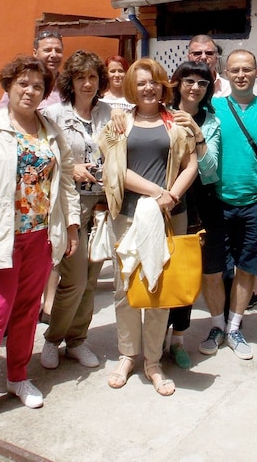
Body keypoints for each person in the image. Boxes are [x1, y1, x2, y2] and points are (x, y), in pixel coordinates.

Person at [0, 56, 80, 441]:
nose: (30, 91)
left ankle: (18, 376)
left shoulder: (51, 131)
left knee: (27, 312)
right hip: (0, 236)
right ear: (9, 85)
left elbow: (67, 184)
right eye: (23, 84)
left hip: (40, 235)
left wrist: (70, 229)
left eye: (37, 86)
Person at [99, 58, 198, 396]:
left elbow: (191, 164)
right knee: (125, 288)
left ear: (162, 85)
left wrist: (172, 196)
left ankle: (153, 361)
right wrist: (157, 191)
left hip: (169, 214)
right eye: (141, 82)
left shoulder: (176, 123)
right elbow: (115, 169)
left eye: (154, 81)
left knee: (159, 286)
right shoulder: (119, 123)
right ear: (132, 87)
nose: (148, 87)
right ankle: (127, 354)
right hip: (127, 214)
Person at [200, 50, 257, 361]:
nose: (241, 74)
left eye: (247, 69)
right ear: (226, 74)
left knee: (247, 268)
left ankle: (234, 326)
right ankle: (216, 325)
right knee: (213, 270)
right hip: (216, 202)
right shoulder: (212, 108)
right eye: (235, 70)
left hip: (255, 203)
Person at [38, 51, 112, 370]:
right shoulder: (53, 115)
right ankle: (53, 339)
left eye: (93, 77)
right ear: (70, 81)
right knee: (74, 280)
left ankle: (78, 340)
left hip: (102, 204)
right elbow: (41, 156)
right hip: (69, 205)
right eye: (81, 77)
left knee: (92, 279)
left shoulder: (110, 113)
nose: (87, 83)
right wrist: (71, 168)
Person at [165, 60, 224, 369]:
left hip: (199, 205)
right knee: (160, 270)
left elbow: (211, 170)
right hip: (162, 201)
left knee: (186, 272)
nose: (195, 88)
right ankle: (153, 339)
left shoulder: (212, 122)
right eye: (189, 81)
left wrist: (197, 132)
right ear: (178, 83)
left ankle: (178, 340)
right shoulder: (160, 112)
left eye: (202, 84)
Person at [0, 30, 65, 111]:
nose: (54, 55)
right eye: (47, 50)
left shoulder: (69, 86)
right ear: (35, 53)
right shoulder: (21, 84)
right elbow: (1, 116)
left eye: (58, 51)